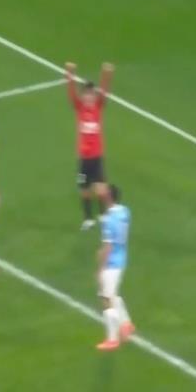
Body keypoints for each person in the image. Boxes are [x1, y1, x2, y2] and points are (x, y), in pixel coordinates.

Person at [65, 62, 114, 230]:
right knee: (83, 188)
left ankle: (103, 213)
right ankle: (88, 218)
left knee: (101, 189)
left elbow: (105, 91)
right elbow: (71, 92)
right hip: (83, 160)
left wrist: (106, 74)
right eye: (86, 94)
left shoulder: (98, 108)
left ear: (94, 95)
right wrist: (70, 73)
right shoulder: (79, 108)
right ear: (83, 96)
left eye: (91, 94)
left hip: (96, 158)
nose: (89, 97)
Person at [96, 184, 135, 351]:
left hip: (111, 263)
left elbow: (108, 247)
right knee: (112, 294)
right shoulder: (125, 212)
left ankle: (112, 339)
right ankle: (126, 324)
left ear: (108, 197)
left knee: (106, 298)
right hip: (122, 258)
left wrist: (100, 268)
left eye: (104, 191)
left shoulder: (109, 220)